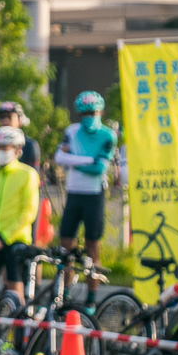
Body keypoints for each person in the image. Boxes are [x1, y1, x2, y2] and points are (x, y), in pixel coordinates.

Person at [55, 91, 118, 311]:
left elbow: (99, 169)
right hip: (74, 193)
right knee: (66, 247)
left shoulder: (108, 135)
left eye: (92, 112)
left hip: (94, 195)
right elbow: (59, 158)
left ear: (100, 111)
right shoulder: (71, 131)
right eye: (84, 113)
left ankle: (92, 299)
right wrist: (88, 159)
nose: (89, 116)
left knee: (93, 248)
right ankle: (66, 293)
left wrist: (73, 161)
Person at [0, 127, 40, 315]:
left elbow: (28, 212)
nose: (0, 151)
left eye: (6, 147)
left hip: (16, 239)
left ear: (18, 150)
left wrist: (5, 237)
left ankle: (12, 340)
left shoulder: (28, 174)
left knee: (14, 292)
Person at [0, 101, 40, 170]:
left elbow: (34, 172)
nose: (5, 120)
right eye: (2, 117)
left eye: (9, 117)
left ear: (19, 120)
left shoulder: (29, 144)